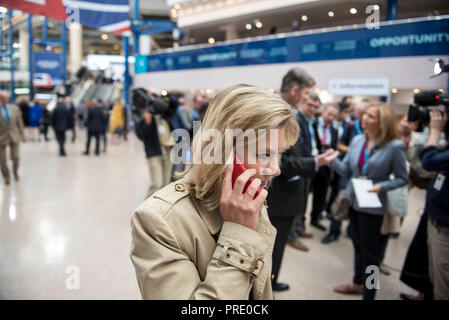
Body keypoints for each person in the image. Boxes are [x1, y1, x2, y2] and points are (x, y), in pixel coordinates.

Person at [130, 84, 299, 299]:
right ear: (224, 151)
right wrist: (238, 236)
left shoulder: (247, 198)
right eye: (264, 154)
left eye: (279, 154)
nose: (276, 169)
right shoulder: (158, 221)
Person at [267, 68, 338, 292]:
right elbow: (282, 162)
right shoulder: (278, 114)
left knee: (276, 246)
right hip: (279, 195)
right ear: (295, 89)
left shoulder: (292, 114)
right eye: (307, 93)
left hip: (287, 193)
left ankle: (268, 282)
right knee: (273, 247)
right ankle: (265, 286)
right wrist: (315, 163)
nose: (309, 99)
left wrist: (314, 160)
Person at [332, 102, 408, 300]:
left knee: (371, 255)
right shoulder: (357, 140)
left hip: (374, 205)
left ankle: (369, 293)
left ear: (382, 122)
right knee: (357, 244)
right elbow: (346, 170)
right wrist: (330, 160)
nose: (365, 118)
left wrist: (382, 186)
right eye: (365, 114)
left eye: (371, 116)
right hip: (354, 200)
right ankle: (358, 283)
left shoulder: (394, 146)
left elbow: (403, 178)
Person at [421, 109, 449, 300]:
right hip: (435, 222)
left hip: (444, 229)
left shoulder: (395, 145)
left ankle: (367, 286)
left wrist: (435, 131)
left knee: (443, 289)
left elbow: (428, 161)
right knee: (435, 278)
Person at [309, 103, 339, 231]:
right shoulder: (312, 124)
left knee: (321, 194)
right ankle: (300, 222)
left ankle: (315, 218)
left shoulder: (334, 129)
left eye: (334, 116)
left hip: (326, 166)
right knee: (305, 193)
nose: (331, 117)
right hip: (311, 162)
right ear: (323, 112)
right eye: (329, 114)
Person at [135, 108, 173, 199]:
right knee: (157, 183)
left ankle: (160, 208)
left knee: (166, 184)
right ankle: (144, 208)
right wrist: (147, 123)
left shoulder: (166, 116)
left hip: (167, 151)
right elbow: (141, 135)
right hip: (154, 153)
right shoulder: (147, 116)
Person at [0, 91, 25, 185]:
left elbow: (20, 123)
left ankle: (15, 172)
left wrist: (23, 135)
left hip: (14, 135)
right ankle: (6, 176)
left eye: (6, 98)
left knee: (16, 157)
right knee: (2, 159)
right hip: (1, 137)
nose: (5, 100)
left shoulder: (15, 109)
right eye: (2, 98)